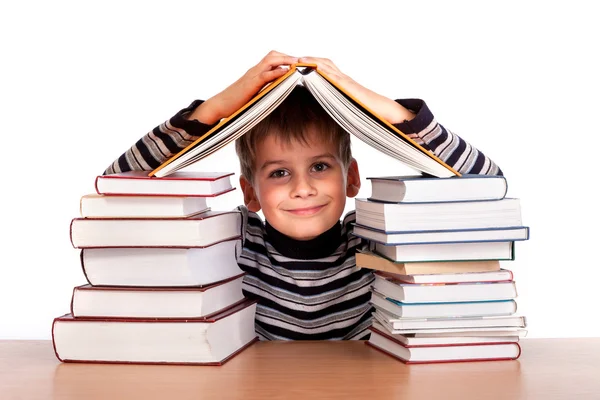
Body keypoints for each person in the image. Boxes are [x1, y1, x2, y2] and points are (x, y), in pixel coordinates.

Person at [104, 51, 503, 340]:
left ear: (351, 178)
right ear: (251, 193)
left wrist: (373, 103)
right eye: (279, 172)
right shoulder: (232, 243)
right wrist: (214, 109)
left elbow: (484, 184)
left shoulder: (374, 240)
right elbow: (121, 190)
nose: (303, 188)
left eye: (320, 166)